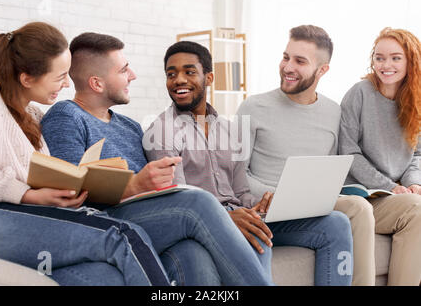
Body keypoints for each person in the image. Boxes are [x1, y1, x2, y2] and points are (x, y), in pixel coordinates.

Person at [40, 32, 273, 286]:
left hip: (147, 217)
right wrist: (135, 184)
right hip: (104, 222)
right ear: (97, 83)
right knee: (196, 202)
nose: (133, 75)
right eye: (124, 70)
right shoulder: (66, 115)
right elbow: (70, 189)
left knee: (193, 254)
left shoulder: (129, 126)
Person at [0, 22, 171, 286]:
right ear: (27, 78)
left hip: (15, 214)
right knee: (122, 235)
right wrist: (28, 194)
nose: (67, 83)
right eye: (60, 76)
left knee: (106, 275)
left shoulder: (32, 116)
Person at [143, 39, 354, 286]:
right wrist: (226, 219)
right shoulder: (162, 131)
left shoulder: (227, 128)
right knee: (254, 238)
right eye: (171, 74)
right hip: (205, 224)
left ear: (209, 78)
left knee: (337, 223)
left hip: (241, 214)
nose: (179, 79)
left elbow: (241, 191)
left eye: (189, 72)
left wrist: (265, 203)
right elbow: (179, 203)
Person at [234, 25, 378, 286]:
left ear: (322, 70)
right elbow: (235, 174)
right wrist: (274, 194)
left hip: (308, 212)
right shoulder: (252, 107)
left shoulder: (334, 113)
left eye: (300, 61)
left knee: (340, 221)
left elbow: (329, 171)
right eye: (286, 57)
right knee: (345, 215)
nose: (288, 67)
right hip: (263, 215)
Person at [339, 27, 421, 286]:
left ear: (411, 61)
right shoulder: (359, 93)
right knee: (417, 211)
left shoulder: (416, 100)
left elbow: (416, 153)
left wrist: (413, 183)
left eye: (396, 58)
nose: (386, 65)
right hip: (361, 194)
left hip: (395, 195)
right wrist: (391, 186)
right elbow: (348, 152)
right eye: (379, 57)